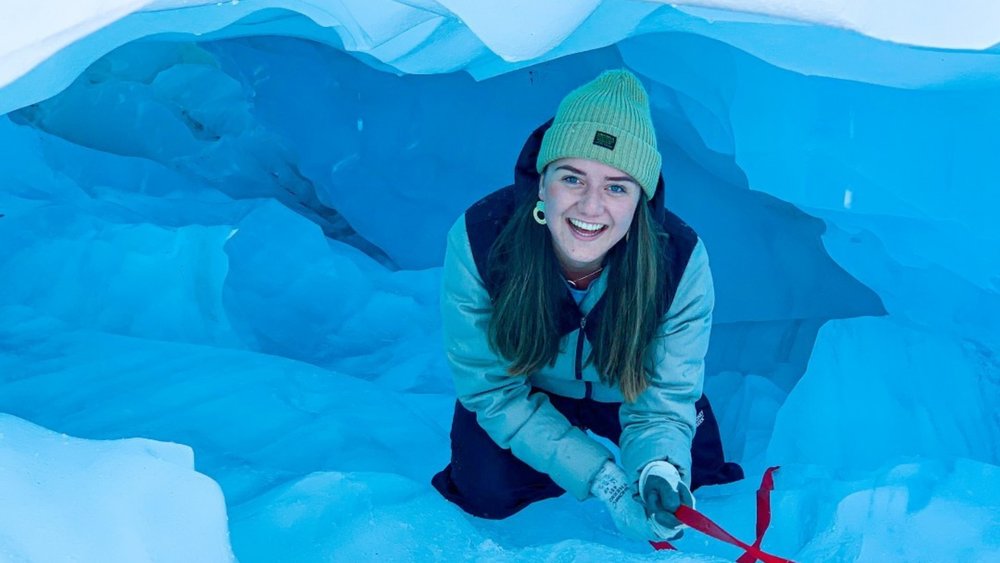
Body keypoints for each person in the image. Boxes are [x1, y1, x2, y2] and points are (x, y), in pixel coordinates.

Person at [431, 69, 742, 541]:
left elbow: (665, 399)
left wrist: (657, 467)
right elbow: (493, 391)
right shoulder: (482, 238)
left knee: (696, 482)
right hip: (532, 392)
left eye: (617, 186)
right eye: (572, 178)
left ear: (640, 200)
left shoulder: (679, 260)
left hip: (632, 392)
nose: (591, 207)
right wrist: (603, 479)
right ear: (542, 183)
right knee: (485, 491)